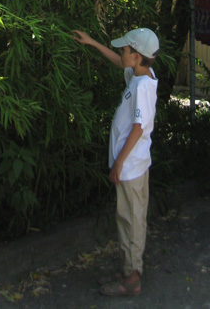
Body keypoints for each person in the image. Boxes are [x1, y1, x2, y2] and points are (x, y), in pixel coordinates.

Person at [72, 27, 159, 297]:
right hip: (131, 165)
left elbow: (138, 128)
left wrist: (119, 163)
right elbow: (116, 61)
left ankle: (132, 279)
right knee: (127, 218)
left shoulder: (143, 86)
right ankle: (128, 269)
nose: (121, 53)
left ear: (136, 56)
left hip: (131, 167)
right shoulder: (139, 75)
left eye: (125, 50)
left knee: (131, 221)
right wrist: (93, 42)